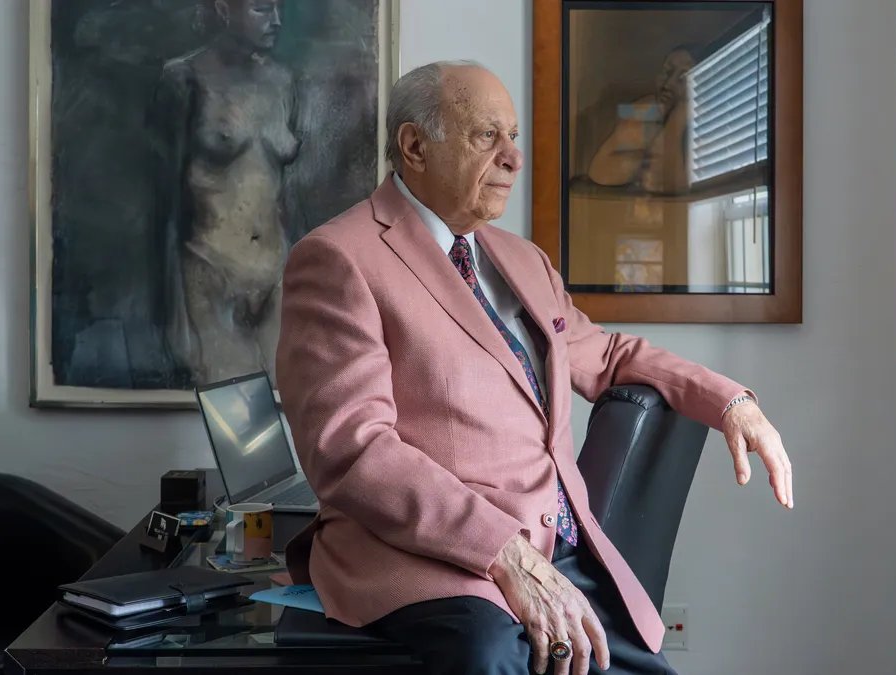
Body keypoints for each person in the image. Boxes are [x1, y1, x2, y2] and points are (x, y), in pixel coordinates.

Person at [275, 60, 793, 675]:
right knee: (491, 656)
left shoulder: (522, 259)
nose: (513, 158)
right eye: (486, 136)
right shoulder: (338, 258)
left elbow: (607, 355)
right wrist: (502, 551)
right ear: (414, 146)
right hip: (428, 557)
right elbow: (352, 449)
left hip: (556, 549)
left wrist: (733, 402)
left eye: (514, 136)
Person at [150, 0, 298, 385]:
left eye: (278, 7)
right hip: (210, 272)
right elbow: (165, 203)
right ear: (223, 8)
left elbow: (280, 193)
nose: (276, 20)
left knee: (282, 404)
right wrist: (174, 311)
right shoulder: (185, 79)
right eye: (261, 9)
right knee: (235, 410)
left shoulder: (282, 81)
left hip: (275, 276)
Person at [586, 47, 698, 194]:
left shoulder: (709, 118)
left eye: (683, 77)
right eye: (667, 72)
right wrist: (677, 119)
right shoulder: (647, 108)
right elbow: (599, 171)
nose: (668, 84)